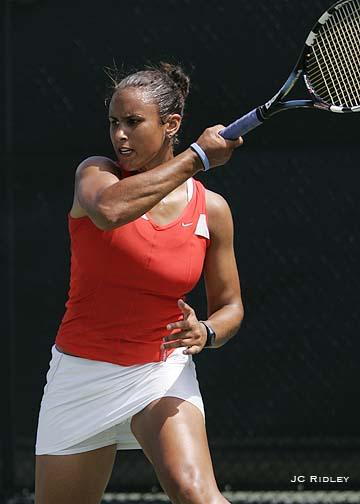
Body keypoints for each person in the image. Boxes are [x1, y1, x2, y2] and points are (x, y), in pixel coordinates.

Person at [35, 62, 244, 504]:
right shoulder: (96, 175)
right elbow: (110, 212)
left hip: (160, 369)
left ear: (172, 125)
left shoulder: (213, 211)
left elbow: (231, 307)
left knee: (197, 494)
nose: (120, 135)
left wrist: (206, 332)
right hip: (81, 375)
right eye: (114, 122)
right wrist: (196, 158)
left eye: (133, 122)